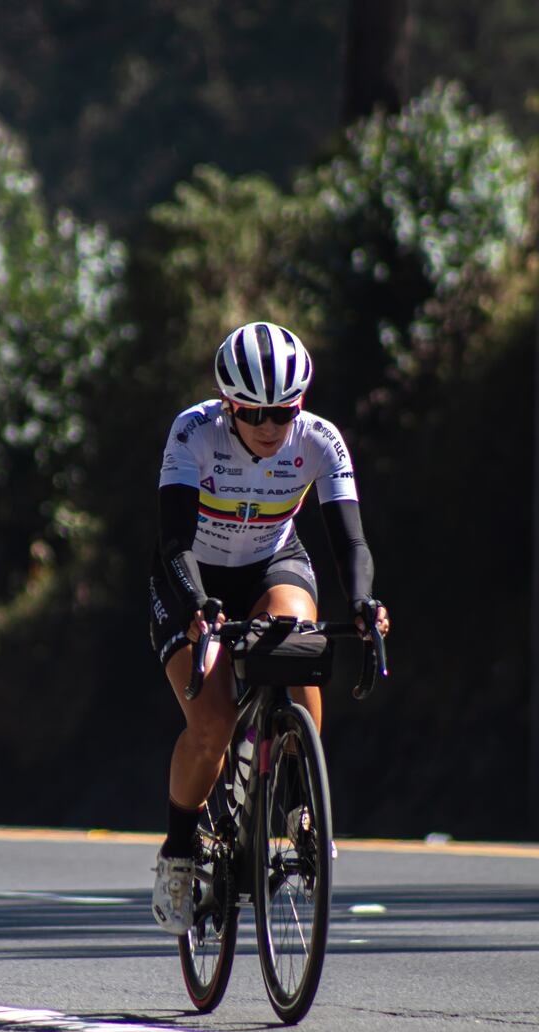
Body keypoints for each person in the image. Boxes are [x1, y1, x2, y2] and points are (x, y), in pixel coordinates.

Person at [149, 321, 389, 934]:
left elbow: (349, 539)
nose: (267, 425)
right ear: (228, 404)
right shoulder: (193, 431)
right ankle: (179, 850)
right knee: (212, 723)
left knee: (299, 642)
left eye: (281, 412)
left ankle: (304, 800)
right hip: (192, 573)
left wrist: (362, 602)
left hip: (271, 565)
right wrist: (199, 601)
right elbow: (173, 538)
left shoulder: (320, 441)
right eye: (252, 411)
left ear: (299, 404)